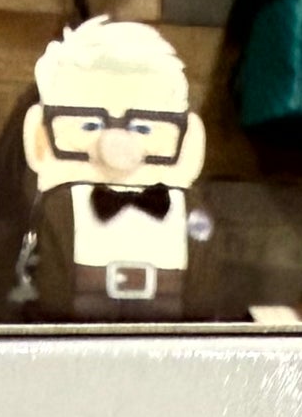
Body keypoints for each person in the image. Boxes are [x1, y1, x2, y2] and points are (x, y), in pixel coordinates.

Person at [21, 16, 204, 322]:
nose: (115, 146)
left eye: (144, 127)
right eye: (90, 125)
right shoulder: (59, 210)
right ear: (42, 138)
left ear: (187, 141)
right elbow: (47, 303)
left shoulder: (189, 213)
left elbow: (203, 304)